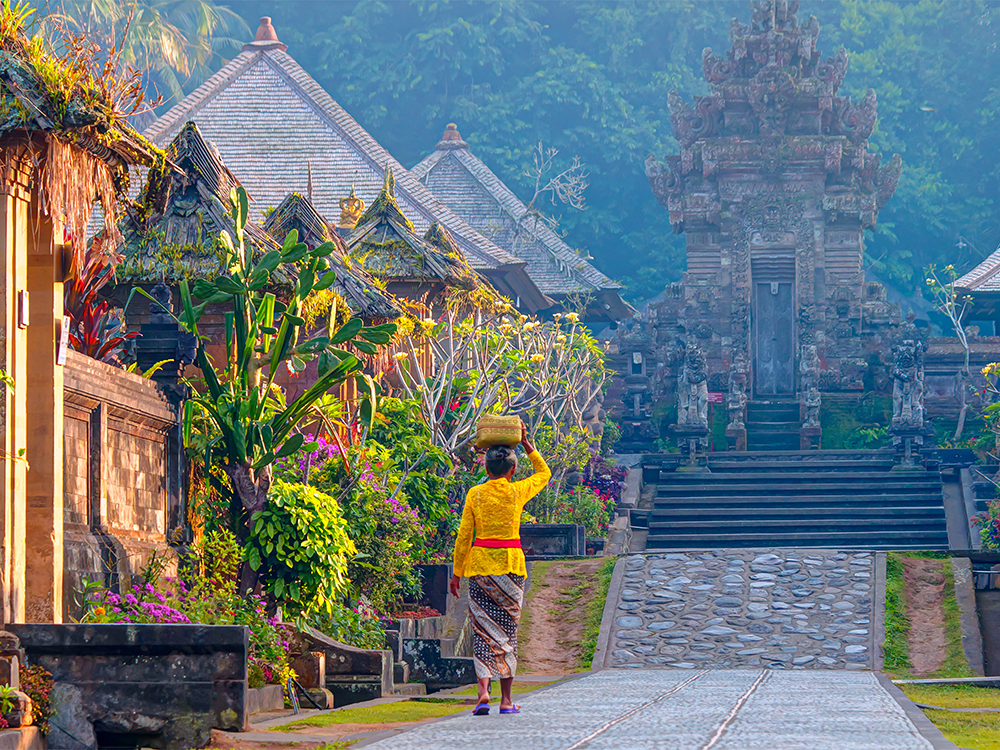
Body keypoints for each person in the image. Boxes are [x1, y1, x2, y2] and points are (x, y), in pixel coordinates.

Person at [450, 421, 551, 716]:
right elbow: (544, 474)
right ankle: (506, 701)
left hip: (480, 567)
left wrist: (457, 573)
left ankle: (482, 691)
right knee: (507, 632)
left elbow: (463, 536)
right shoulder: (517, 492)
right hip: (510, 567)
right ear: (513, 470)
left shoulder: (475, 494)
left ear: (486, 470)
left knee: (482, 629)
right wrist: (528, 444)